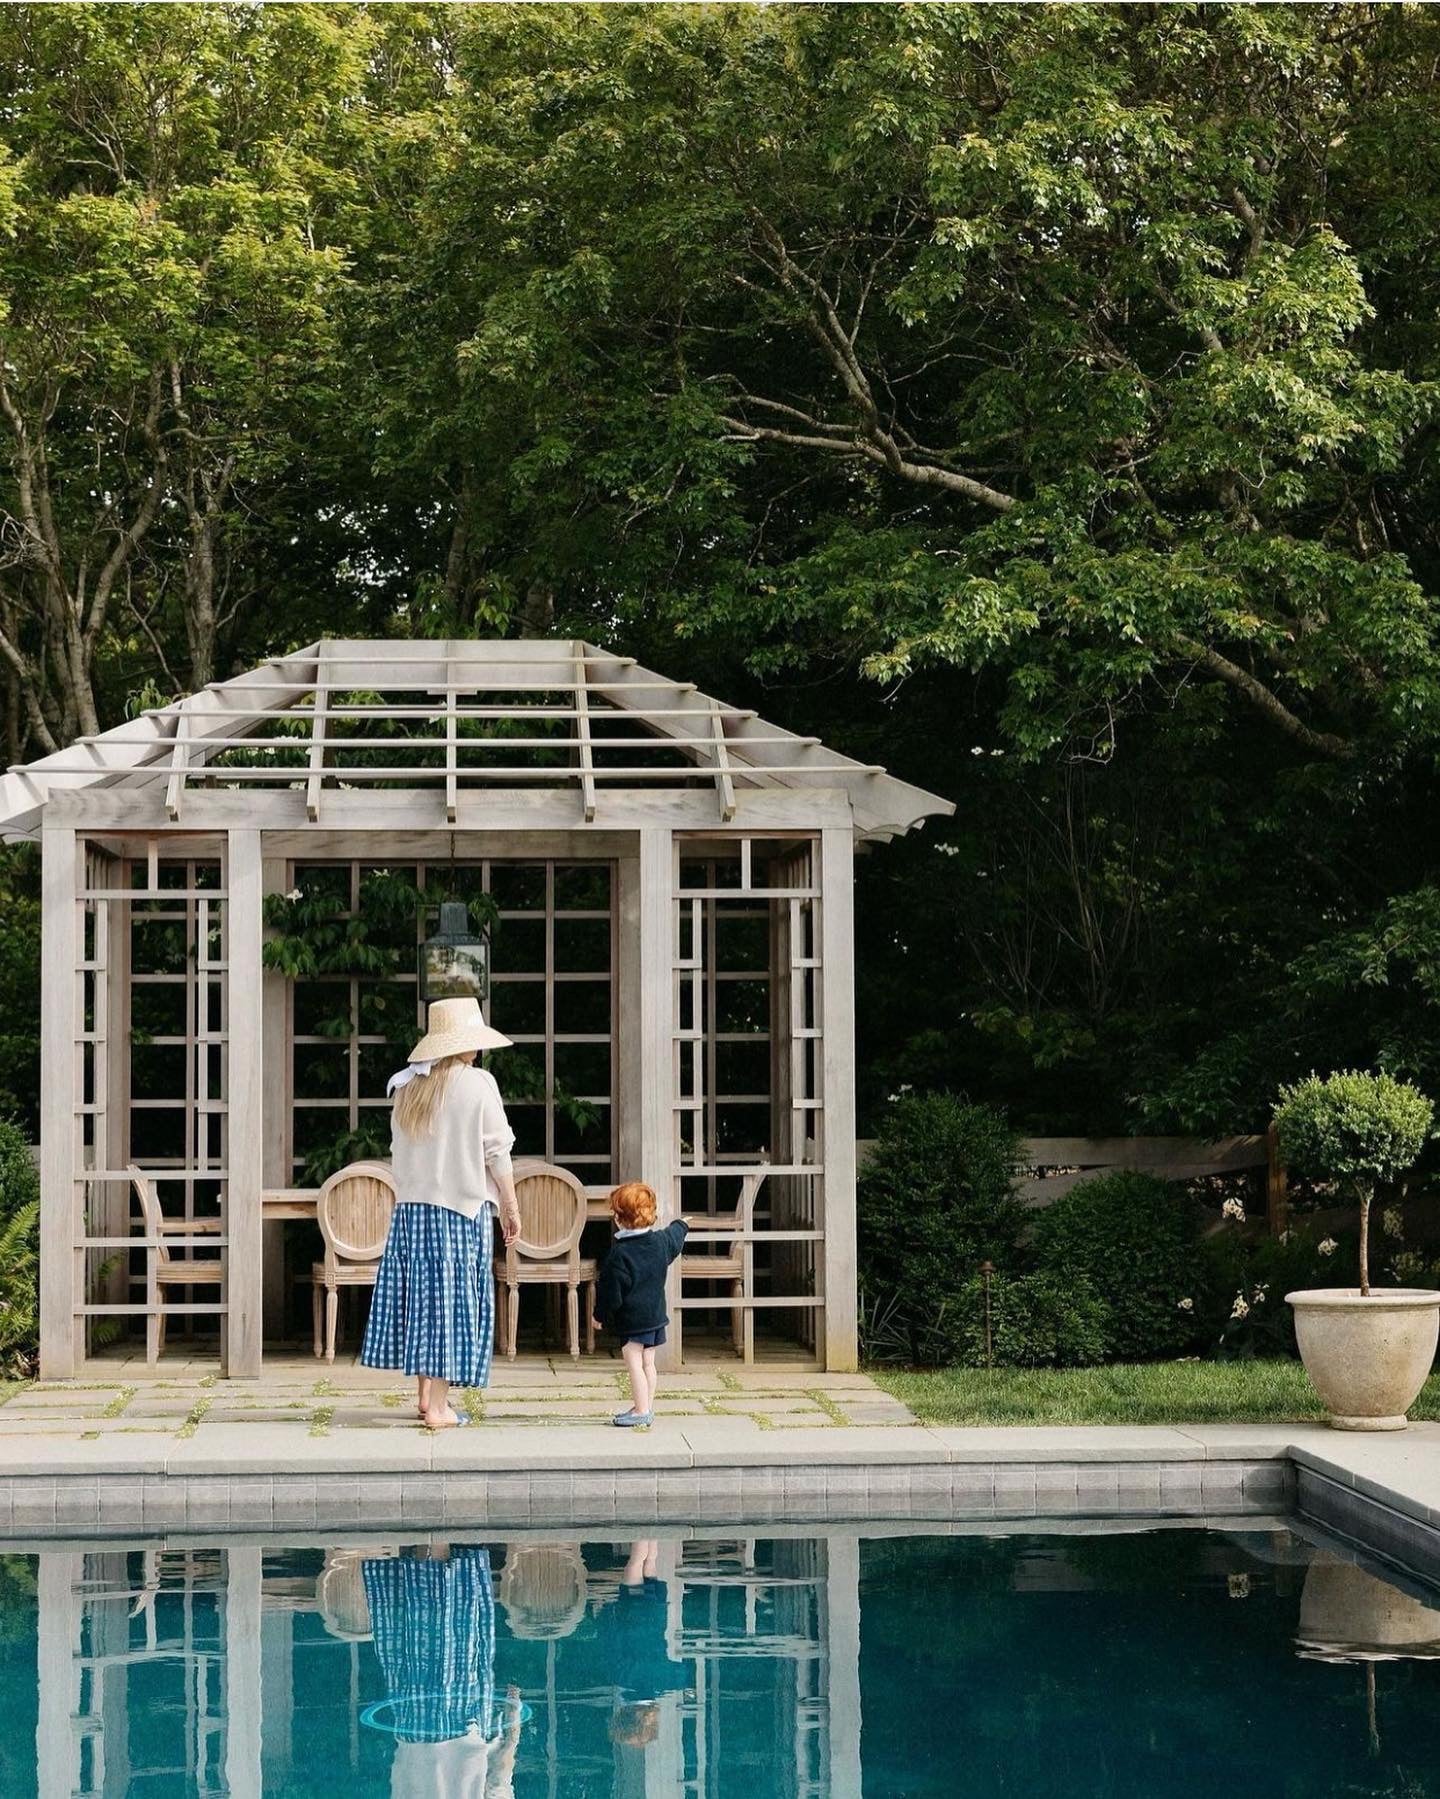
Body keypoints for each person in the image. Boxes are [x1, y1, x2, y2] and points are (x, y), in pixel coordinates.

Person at [362, 996, 522, 1431]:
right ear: (464, 1043)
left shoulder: (409, 1088)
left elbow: (397, 1155)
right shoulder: (478, 1084)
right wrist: (509, 1202)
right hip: (459, 1210)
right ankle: (439, 1407)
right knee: (451, 1303)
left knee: (420, 1298)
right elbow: (497, 1151)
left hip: (412, 1213)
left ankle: (421, 1396)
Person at [361, 1542, 523, 1798]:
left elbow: (499, 1775)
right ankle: (419, 1527)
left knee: (451, 1604)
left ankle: (431, 1520)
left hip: (461, 1721)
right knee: (411, 1612)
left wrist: (512, 1715)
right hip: (411, 1729)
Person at [592, 1182, 687, 1428]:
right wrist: (682, 1224)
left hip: (633, 1320)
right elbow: (675, 1236)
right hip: (655, 1316)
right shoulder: (660, 1243)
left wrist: (599, 1315)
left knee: (633, 1362)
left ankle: (642, 1410)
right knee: (648, 1363)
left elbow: (610, 1292)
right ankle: (645, 1405)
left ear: (619, 1219)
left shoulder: (619, 1254)